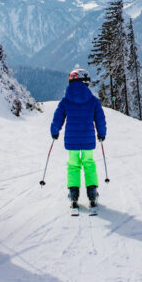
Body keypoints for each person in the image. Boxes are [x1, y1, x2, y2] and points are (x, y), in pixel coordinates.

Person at [50, 68, 107, 209]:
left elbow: (58, 117)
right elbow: (100, 119)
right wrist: (101, 133)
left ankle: (73, 195)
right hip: (88, 140)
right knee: (89, 164)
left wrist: (54, 131)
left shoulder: (65, 101)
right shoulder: (93, 100)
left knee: (73, 165)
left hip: (72, 141)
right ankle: (92, 194)